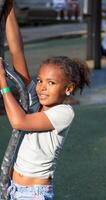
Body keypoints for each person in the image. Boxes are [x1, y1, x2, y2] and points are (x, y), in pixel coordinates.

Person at [0, 1, 90, 199]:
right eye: (40, 80)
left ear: (68, 89)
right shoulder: (34, 101)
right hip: (13, 188)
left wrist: (3, 84)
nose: (41, 86)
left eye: (51, 83)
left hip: (34, 194)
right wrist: (9, 9)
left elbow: (19, 121)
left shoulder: (63, 113)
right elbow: (17, 52)